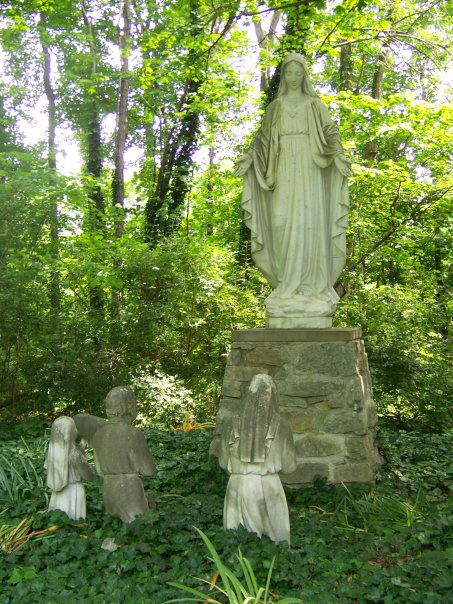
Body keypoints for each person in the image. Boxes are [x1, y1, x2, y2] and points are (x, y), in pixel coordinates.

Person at [234, 53, 350, 328]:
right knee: (281, 223)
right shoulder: (276, 107)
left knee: (309, 224)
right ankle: (287, 285)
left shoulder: (315, 105)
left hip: (310, 168)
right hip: (282, 166)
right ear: (284, 76)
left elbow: (331, 132)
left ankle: (311, 288)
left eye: (298, 73)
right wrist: (249, 158)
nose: (294, 78)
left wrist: (338, 155)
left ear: (304, 76)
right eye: (289, 73)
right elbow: (262, 141)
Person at [218, 374, 297, 543]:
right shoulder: (282, 426)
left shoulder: (229, 423)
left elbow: (223, 463)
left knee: (237, 544)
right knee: (275, 544)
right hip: (270, 487)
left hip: (237, 486)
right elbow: (290, 468)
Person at [92, 386, 156, 523]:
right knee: (137, 528)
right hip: (130, 491)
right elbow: (148, 470)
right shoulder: (133, 433)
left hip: (108, 490)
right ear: (128, 407)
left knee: (115, 528)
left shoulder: (97, 435)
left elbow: (99, 470)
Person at [45, 416, 96, 520]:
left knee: (58, 521)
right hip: (74, 493)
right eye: (75, 427)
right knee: (74, 522)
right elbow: (89, 476)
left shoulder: (51, 454)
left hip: (57, 495)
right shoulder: (75, 453)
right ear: (71, 432)